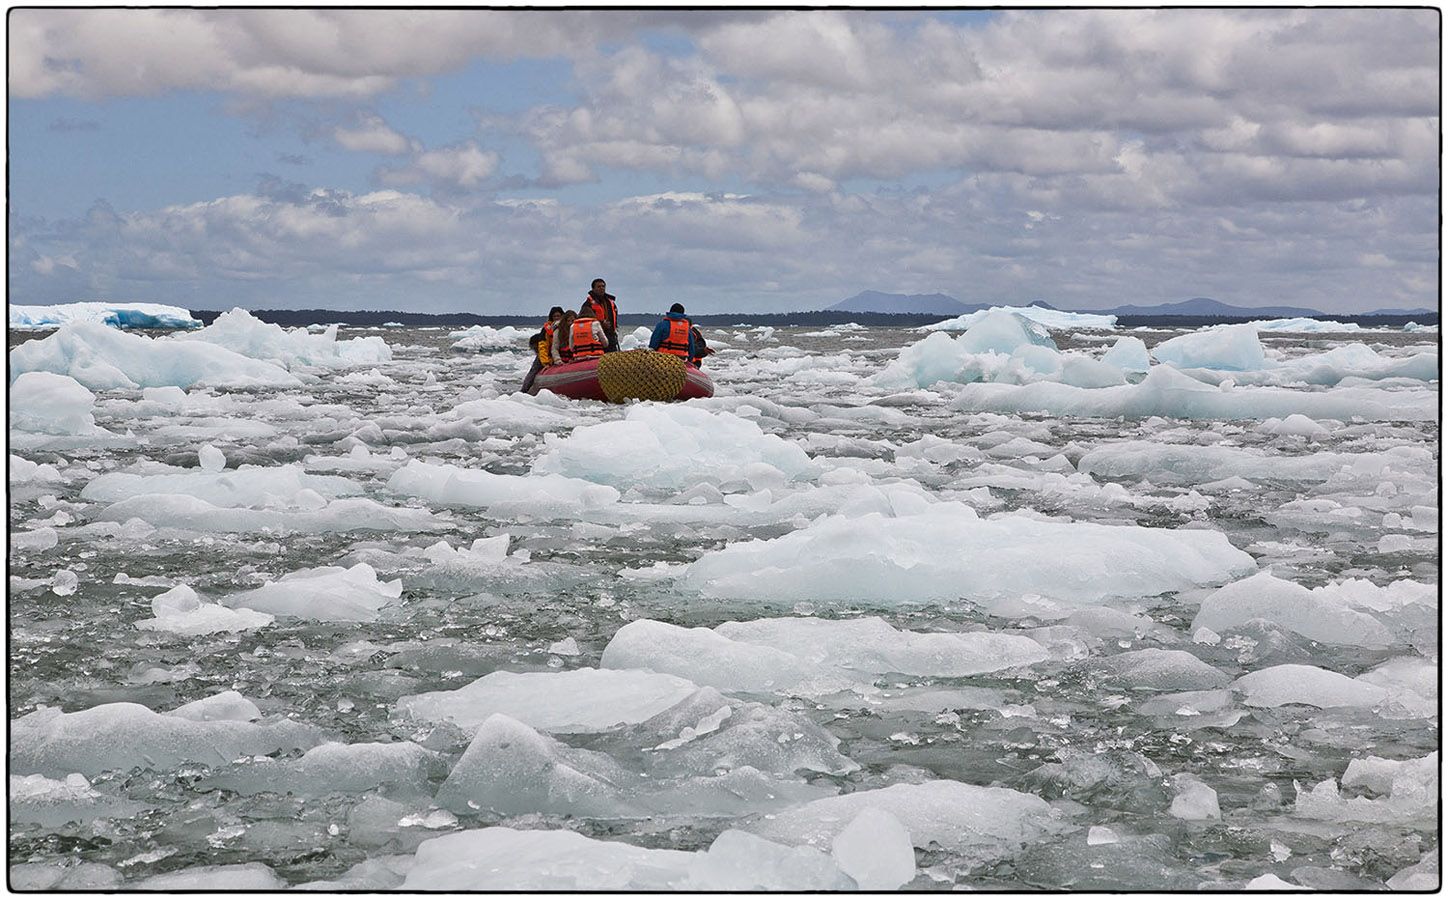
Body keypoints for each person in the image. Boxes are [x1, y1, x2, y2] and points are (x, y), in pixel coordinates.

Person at [520, 306, 565, 392]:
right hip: (546, 354)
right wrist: (545, 363)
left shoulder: (566, 327)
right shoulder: (546, 330)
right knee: (534, 371)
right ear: (551, 317)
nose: (557, 318)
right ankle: (524, 391)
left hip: (560, 354)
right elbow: (542, 347)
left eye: (558, 316)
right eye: (554, 316)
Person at [580, 278, 620, 351]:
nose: (601, 288)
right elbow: (583, 321)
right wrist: (601, 324)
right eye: (599, 287)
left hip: (611, 336)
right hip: (596, 337)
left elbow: (614, 318)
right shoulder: (588, 304)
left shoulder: (610, 302)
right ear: (593, 289)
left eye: (603, 286)